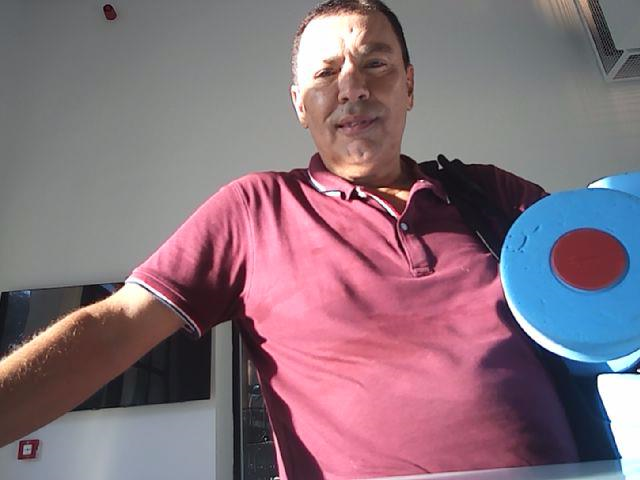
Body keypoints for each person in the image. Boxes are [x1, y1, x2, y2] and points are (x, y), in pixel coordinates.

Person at [0, 1, 580, 478]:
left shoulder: (489, 193)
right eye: (326, 74)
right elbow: (114, 327)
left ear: (408, 85)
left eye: (376, 63)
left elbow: (609, 290)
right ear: (300, 103)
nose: (353, 87)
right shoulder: (254, 209)